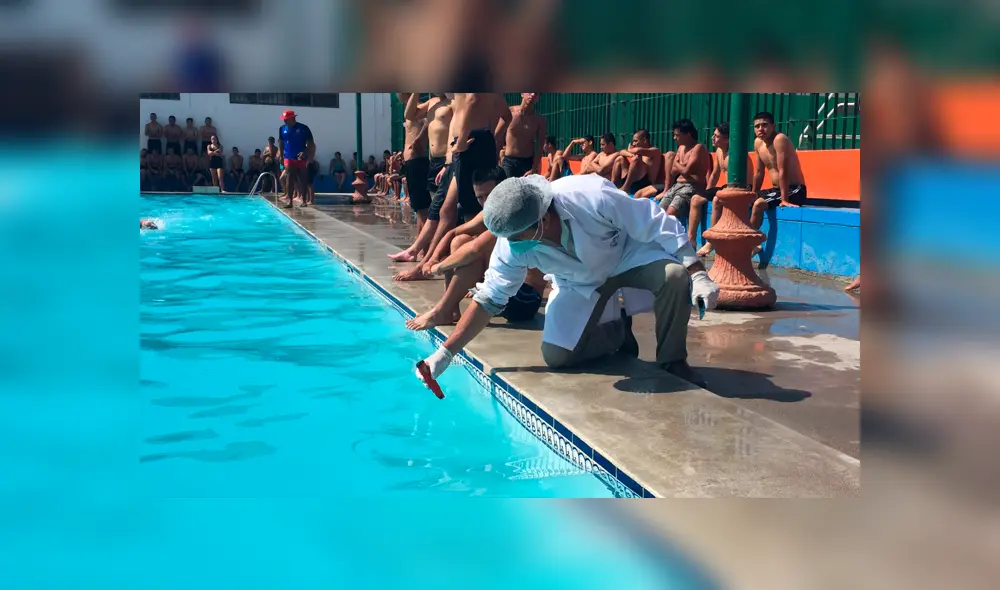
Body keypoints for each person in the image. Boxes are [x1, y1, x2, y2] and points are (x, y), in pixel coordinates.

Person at [415, 173, 719, 389]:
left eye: (517, 237)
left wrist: (697, 272)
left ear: (543, 219)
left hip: (627, 256)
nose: (512, 244)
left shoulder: (591, 196)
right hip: (578, 282)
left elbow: (655, 221)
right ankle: (618, 332)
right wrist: (445, 354)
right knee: (557, 357)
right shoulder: (512, 240)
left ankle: (672, 360)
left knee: (674, 276)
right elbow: (489, 300)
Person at [406, 167, 547, 331]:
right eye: (480, 197)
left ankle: (442, 310)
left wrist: (438, 267)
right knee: (460, 240)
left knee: (474, 253)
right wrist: (434, 258)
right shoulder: (491, 211)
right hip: (504, 291)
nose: (486, 202)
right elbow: (452, 232)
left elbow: (475, 249)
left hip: (526, 299)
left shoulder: (513, 213)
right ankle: (451, 310)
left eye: (489, 195)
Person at [394, 93, 512, 282]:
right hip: (472, 144)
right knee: (447, 210)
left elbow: (473, 99)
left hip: (469, 144)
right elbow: (506, 115)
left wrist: (464, 139)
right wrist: (492, 139)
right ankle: (428, 262)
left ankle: (480, 275)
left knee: (473, 215)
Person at [389, 93, 454, 263]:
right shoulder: (431, 103)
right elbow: (409, 114)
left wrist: (449, 160)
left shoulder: (454, 102)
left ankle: (430, 252)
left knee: (439, 210)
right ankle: (423, 250)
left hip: (445, 160)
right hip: (433, 162)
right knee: (431, 210)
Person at [656, 119, 711, 244]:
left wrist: (677, 163)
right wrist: (680, 166)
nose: (674, 138)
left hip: (691, 186)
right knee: (658, 213)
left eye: (677, 135)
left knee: (670, 214)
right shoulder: (681, 148)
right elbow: (673, 171)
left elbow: (685, 171)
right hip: (677, 185)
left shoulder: (698, 148)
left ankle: (673, 243)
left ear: (688, 134)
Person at [751, 111, 807, 232]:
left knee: (758, 204)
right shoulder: (758, 143)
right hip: (776, 190)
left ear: (773, 126)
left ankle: (749, 240)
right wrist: (753, 194)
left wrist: (784, 200)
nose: (760, 129)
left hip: (794, 190)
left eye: (764, 125)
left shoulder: (779, 139)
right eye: (757, 126)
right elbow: (759, 172)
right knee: (744, 200)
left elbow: (783, 170)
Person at [398, 93, 432, 228]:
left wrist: (417, 142)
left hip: (416, 160)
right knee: (419, 209)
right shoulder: (412, 112)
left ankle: (422, 239)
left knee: (422, 209)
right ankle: (420, 238)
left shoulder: (419, 111)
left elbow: (427, 123)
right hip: (412, 161)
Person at [696, 123, 730, 256]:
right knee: (696, 199)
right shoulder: (719, 151)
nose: (712, 138)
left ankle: (712, 240)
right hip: (725, 188)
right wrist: (707, 192)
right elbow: (715, 174)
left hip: (736, 188)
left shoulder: (734, 154)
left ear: (727, 139)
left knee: (716, 200)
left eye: (716, 136)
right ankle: (691, 239)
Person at [500, 93, 546, 179]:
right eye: (530, 92)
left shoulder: (539, 120)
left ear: (538, 98)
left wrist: (534, 167)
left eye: (536, 93)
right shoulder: (510, 113)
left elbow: (540, 146)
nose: (532, 94)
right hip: (509, 161)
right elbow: (497, 135)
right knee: (508, 187)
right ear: (522, 93)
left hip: (527, 162)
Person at [277, 109, 316, 208]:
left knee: (302, 179)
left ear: (292, 118)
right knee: (289, 178)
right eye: (284, 119)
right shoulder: (282, 129)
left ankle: (304, 200)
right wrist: (281, 155)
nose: (284, 121)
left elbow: (311, 143)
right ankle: (289, 201)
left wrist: (305, 152)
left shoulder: (303, 128)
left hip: (301, 158)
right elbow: (281, 142)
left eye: (286, 119)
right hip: (288, 157)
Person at [618, 129, 663, 199]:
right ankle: (613, 185)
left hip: (645, 183)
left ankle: (626, 187)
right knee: (620, 159)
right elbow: (621, 152)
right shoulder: (637, 151)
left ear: (644, 140)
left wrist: (630, 150)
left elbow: (637, 150)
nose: (633, 144)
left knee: (636, 159)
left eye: (635, 141)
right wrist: (631, 154)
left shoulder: (654, 151)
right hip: (635, 180)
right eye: (633, 141)